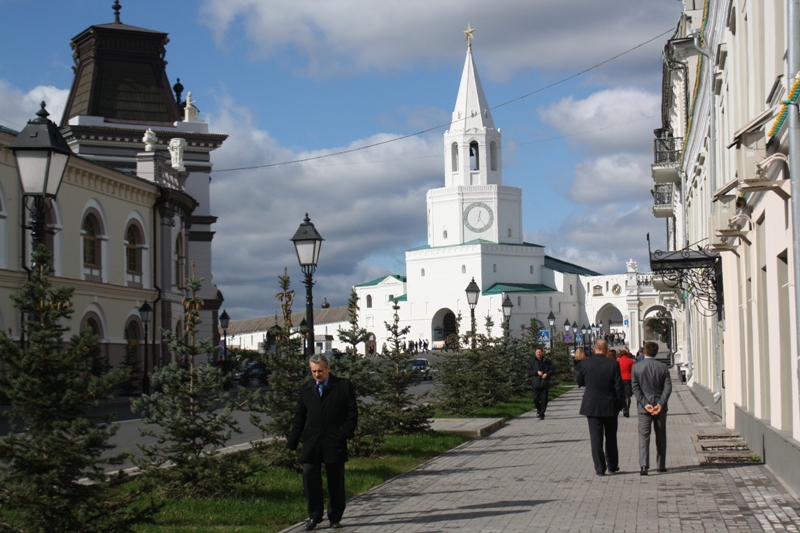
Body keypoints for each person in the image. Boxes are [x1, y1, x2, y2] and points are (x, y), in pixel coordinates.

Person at [287, 354, 359, 530]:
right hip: (312, 442)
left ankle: (335, 517)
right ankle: (314, 516)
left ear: (328, 368)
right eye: (313, 371)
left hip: (334, 441)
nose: (317, 374)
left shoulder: (342, 386)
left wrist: (344, 433)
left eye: (320, 370)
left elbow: (352, 413)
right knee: (310, 477)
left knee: (336, 482)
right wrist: (292, 443)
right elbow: (299, 418)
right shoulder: (306, 389)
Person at [575, 339, 624, 476]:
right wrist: (621, 404)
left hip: (592, 405)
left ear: (594, 349)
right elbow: (618, 386)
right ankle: (612, 465)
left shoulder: (585, 364)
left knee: (596, 438)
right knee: (611, 437)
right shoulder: (613, 364)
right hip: (610, 405)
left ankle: (599, 468)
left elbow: (579, 381)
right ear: (607, 349)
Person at [631, 341, 672, 476]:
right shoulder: (663, 367)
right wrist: (660, 403)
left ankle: (644, 466)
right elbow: (668, 387)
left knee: (644, 436)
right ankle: (661, 465)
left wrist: (645, 403)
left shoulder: (637, 367)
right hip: (660, 408)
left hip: (644, 408)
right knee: (661, 436)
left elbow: (635, 388)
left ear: (644, 352)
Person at [527, 348, 555, 420]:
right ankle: (539, 410)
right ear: (535, 353)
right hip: (536, 383)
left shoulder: (547, 361)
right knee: (536, 399)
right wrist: (536, 372)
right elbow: (528, 371)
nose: (538, 354)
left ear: (542, 353)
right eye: (537, 352)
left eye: (540, 352)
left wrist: (547, 374)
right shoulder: (532, 361)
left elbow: (552, 370)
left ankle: (542, 414)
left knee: (544, 400)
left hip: (544, 383)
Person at [617, 348, 635, 417]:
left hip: (620, 379)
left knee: (622, 395)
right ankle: (627, 410)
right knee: (627, 396)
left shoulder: (618, 361)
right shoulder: (630, 361)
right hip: (628, 379)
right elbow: (633, 371)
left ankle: (624, 409)